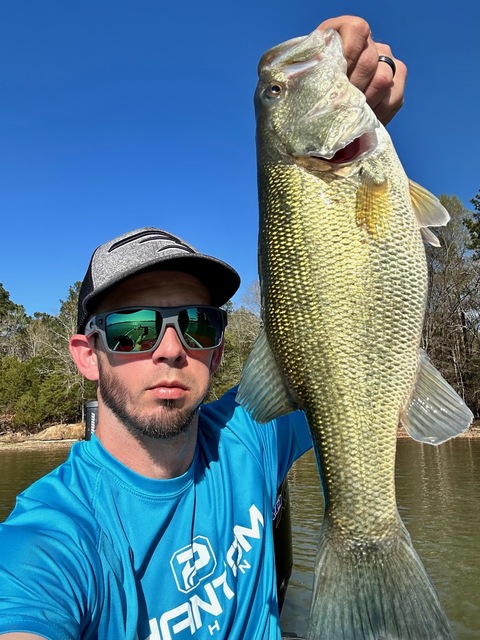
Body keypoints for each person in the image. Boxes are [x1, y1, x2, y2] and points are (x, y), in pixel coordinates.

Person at [0, 16, 406, 640]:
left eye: (196, 324)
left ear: (218, 348)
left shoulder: (250, 437)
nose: (170, 349)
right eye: (134, 330)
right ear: (86, 354)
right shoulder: (55, 534)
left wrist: (360, 132)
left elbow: (343, 333)